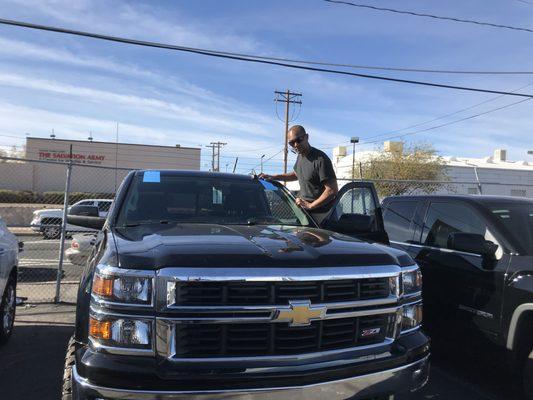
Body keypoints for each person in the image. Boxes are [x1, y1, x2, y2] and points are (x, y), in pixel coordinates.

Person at [259, 125, 338, 224]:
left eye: (298, 140)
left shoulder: (320, 159)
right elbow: (296, 174)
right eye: (291, 143)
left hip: (323, 217)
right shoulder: (300, 157)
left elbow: (332, 190)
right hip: (304, 214)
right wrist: (274, 177)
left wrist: (311, 205)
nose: (295, 145)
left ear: (306, 137)